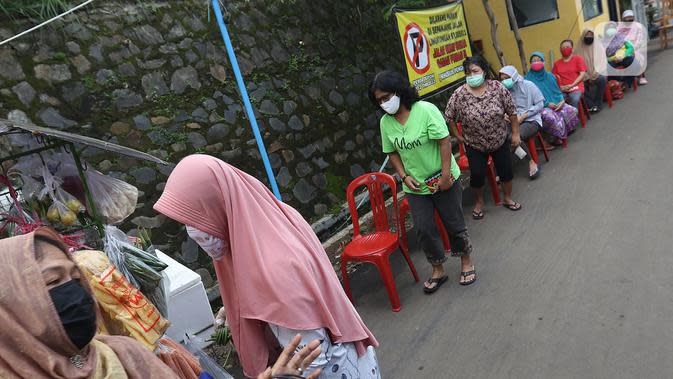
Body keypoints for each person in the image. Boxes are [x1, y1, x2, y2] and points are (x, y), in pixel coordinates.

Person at [153, 154, 380, 379]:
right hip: (354, 355)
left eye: (194, 219)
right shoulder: (273, 217)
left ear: (218, 204)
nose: (193, 232)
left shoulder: (275, 272)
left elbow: (311, 360)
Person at [0, 227, 179, 378]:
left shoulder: (125, 354)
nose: (74, 292)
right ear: (10, 306)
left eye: (77, 279)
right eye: (53, 281)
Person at [369, 70, 475, 292]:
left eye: (387, 97)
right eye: (379, 100)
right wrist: (404, 176)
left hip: (443, 178)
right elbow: (392, 152)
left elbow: (444, 142)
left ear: (399, 92)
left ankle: (465, 261)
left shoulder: (425, 110)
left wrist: (446, 176)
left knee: (454, 224)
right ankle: (438, 268)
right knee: (424, 229)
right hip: (416, 186)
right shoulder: (385, 123)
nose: (384, 103)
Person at [444, 55, 523, 220]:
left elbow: (512, 111)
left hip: (499, 138)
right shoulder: (459, 94)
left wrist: (515, 133)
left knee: (506, 171)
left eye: (475, 71)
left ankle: (507, 197)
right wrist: (458, 136)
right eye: (468, 73)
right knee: (477, 175)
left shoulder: (497, 88)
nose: (472, 76)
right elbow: (449, 117)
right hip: (474, 144)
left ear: (484, 71)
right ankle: (479, 202)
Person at [499, 65, 544, 179]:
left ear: (514, 76)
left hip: (531, 120)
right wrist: (505, 115)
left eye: (507, 77)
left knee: (512, 137)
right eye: (502, 78)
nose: (504, 81)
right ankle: (506, 167)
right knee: (500, 136)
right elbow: (502, 107)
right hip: (513, 121)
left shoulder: (529, 85)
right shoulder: (505, 91)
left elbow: (540, 105)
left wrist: (523, 116)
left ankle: (530, 162)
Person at [525, 52, 579, 146]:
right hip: (540, 106)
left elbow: (557, 91)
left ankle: (563, 133)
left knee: (571, 110)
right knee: (550, 117)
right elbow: (531, 99)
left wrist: (562, 101)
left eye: (539, 60)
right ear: (530, 64)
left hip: (556, 102)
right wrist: (547, 104)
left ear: (543, 62)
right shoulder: (527, 80)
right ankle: (551, 138)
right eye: (533, 61)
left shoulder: (550, 76)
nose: (536, 62)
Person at [576, 28, 608, 113]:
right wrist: (585, 76)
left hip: (596, 73)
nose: (589, 37)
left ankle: (598, 103)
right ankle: (591, 104)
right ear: (583, 36)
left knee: (602, 79)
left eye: (591, 35)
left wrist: (594, 74)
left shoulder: (598, 46)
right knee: (578, 86)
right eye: (587, 35)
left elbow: (602, 62)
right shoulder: (578, 49)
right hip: (584, 75)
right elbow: (576, 66)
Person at [552, 39, 587, 109]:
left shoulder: (578, 59)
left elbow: (582, 74)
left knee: (574, 98)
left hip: (576, 87)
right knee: (557, 100)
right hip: (562, 89)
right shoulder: (556, 63)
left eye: (567, 47)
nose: (565, 49)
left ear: (572, 49)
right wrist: (560, 87)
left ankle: (573, 118)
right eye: (563, 47)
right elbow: (553, 78)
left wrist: (572, 85)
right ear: (560, 50)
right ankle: (563, 118)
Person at [620, 9, 648, 85]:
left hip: (636, 47)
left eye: (631, 17)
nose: (629, 19)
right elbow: (619, 39)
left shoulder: (638, 27)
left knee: (638, 56)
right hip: (624, 48)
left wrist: (633, 49)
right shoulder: (620, 27)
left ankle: (641, 76)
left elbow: (639, 39)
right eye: (627, 18)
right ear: (623, 19)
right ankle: (628, 78)